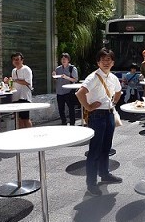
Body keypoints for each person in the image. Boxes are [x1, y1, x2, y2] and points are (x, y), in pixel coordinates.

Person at [76, 48, 123, 196]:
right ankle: (91, 183)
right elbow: (79, 93)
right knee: (95, 150)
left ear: (113, 62)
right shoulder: (93, 77)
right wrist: (89, 107)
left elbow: (118, 92)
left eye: (109, 60)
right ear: (98, 62)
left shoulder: (113, 77)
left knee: (106, 147)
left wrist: (113, 103)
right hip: (96, 116)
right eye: (103, 60)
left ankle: (105, 173)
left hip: (109, 114)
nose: (106, 62)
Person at [3, 52, 33, 128]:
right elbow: (12, 85)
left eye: (17, 59)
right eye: (14, 60)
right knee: (18, 119)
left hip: (24, 97)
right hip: (15, 97)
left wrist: (15, 80)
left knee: (25, 118)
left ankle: (31, 134)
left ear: (22, 60)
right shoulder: (13, 71)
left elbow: (28, 82)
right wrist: (7, 82)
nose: (16, 61)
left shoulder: (26, 69)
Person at [53, 53, 78, 126]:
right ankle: (63, 122)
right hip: (59, 91)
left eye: (65, 58)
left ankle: (72, 123)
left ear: (68, 60)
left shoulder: (72, 68)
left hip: (69, 91)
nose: (63, 60)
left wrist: (66, 77)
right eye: (62, 59)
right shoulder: (58, 69)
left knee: (71, 108)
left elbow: (75, 79)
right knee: (61, 109)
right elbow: (56, 79)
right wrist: (54, 76)